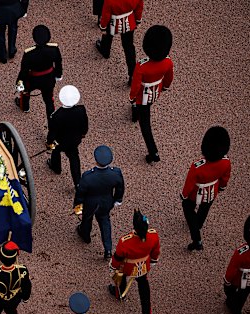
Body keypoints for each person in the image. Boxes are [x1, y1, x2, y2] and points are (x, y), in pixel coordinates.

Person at [181, 126, 231, 251]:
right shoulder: (226, 162)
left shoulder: (197, 166)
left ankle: (196, 237)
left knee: (188, 208)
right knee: (204, 209)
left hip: (195, 193)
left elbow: (189, 183)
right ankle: (199, 224)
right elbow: (225, 178)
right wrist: (222, 187)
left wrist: (184, 194)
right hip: (212, 191)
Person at [129, 25, 174, 163]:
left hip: (142, 95)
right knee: (144, 108)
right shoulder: (168, 62)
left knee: (145, 125)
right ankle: (134, 114)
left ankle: (153, 151)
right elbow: (168, 78)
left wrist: (132, 97)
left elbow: (136, 85)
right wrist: (165, 87)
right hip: (156, 91)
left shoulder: (141, 66)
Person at [73, 145, 124, 259]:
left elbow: (81, 192)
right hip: (106, 202)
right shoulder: (115, 173)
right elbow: (120, 187)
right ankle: (108, 249)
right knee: (105, 223)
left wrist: (77, 204)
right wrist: (117, 199)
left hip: (90, 203)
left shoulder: (88, 176)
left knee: (87, 219)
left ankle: (85, 235)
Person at [108, 210, 160, 314]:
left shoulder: (125, 241)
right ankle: (147, 313)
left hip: (127, 267)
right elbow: (155, 251)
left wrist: (112, 266)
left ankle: (120, 294)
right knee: (144, 288)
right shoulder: (153, 235)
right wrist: (153, 260)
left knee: (121, 279)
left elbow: (118, 257)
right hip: (143, 266)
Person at [46, 85, 88, 187]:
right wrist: (82, 134)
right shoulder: (81, 110)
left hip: (60, 142)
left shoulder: (56, 115)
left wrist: (49, 142)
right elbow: (85, 125)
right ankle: (77, 182)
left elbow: (52, 132)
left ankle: (56, 167)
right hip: (74, 140)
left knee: (56, 152)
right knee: (74, 158)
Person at [15, 25, 63, 115]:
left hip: (33, 78)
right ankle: (51, 118)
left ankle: (26, 107)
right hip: (48, 77)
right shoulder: (54, 49)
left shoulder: (29, 53)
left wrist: (19, 82)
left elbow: (24, 71)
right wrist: (58, 75)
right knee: (49, 99)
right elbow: (58, 62)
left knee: (26, 92)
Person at [96, 0, 143, 83]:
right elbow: (139, 6)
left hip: (113, 22)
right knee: (129, 47)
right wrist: (137, 20)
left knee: (107, 37)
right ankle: (132, 75)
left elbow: (106, 14)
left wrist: (103, 27)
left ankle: (105, 51)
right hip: (129, 21)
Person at [223, 216, 250, 314]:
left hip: (241, 279)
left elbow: (231, 270)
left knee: (234, 300)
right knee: (243, 295)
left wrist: (227, 282)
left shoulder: (242, 252)